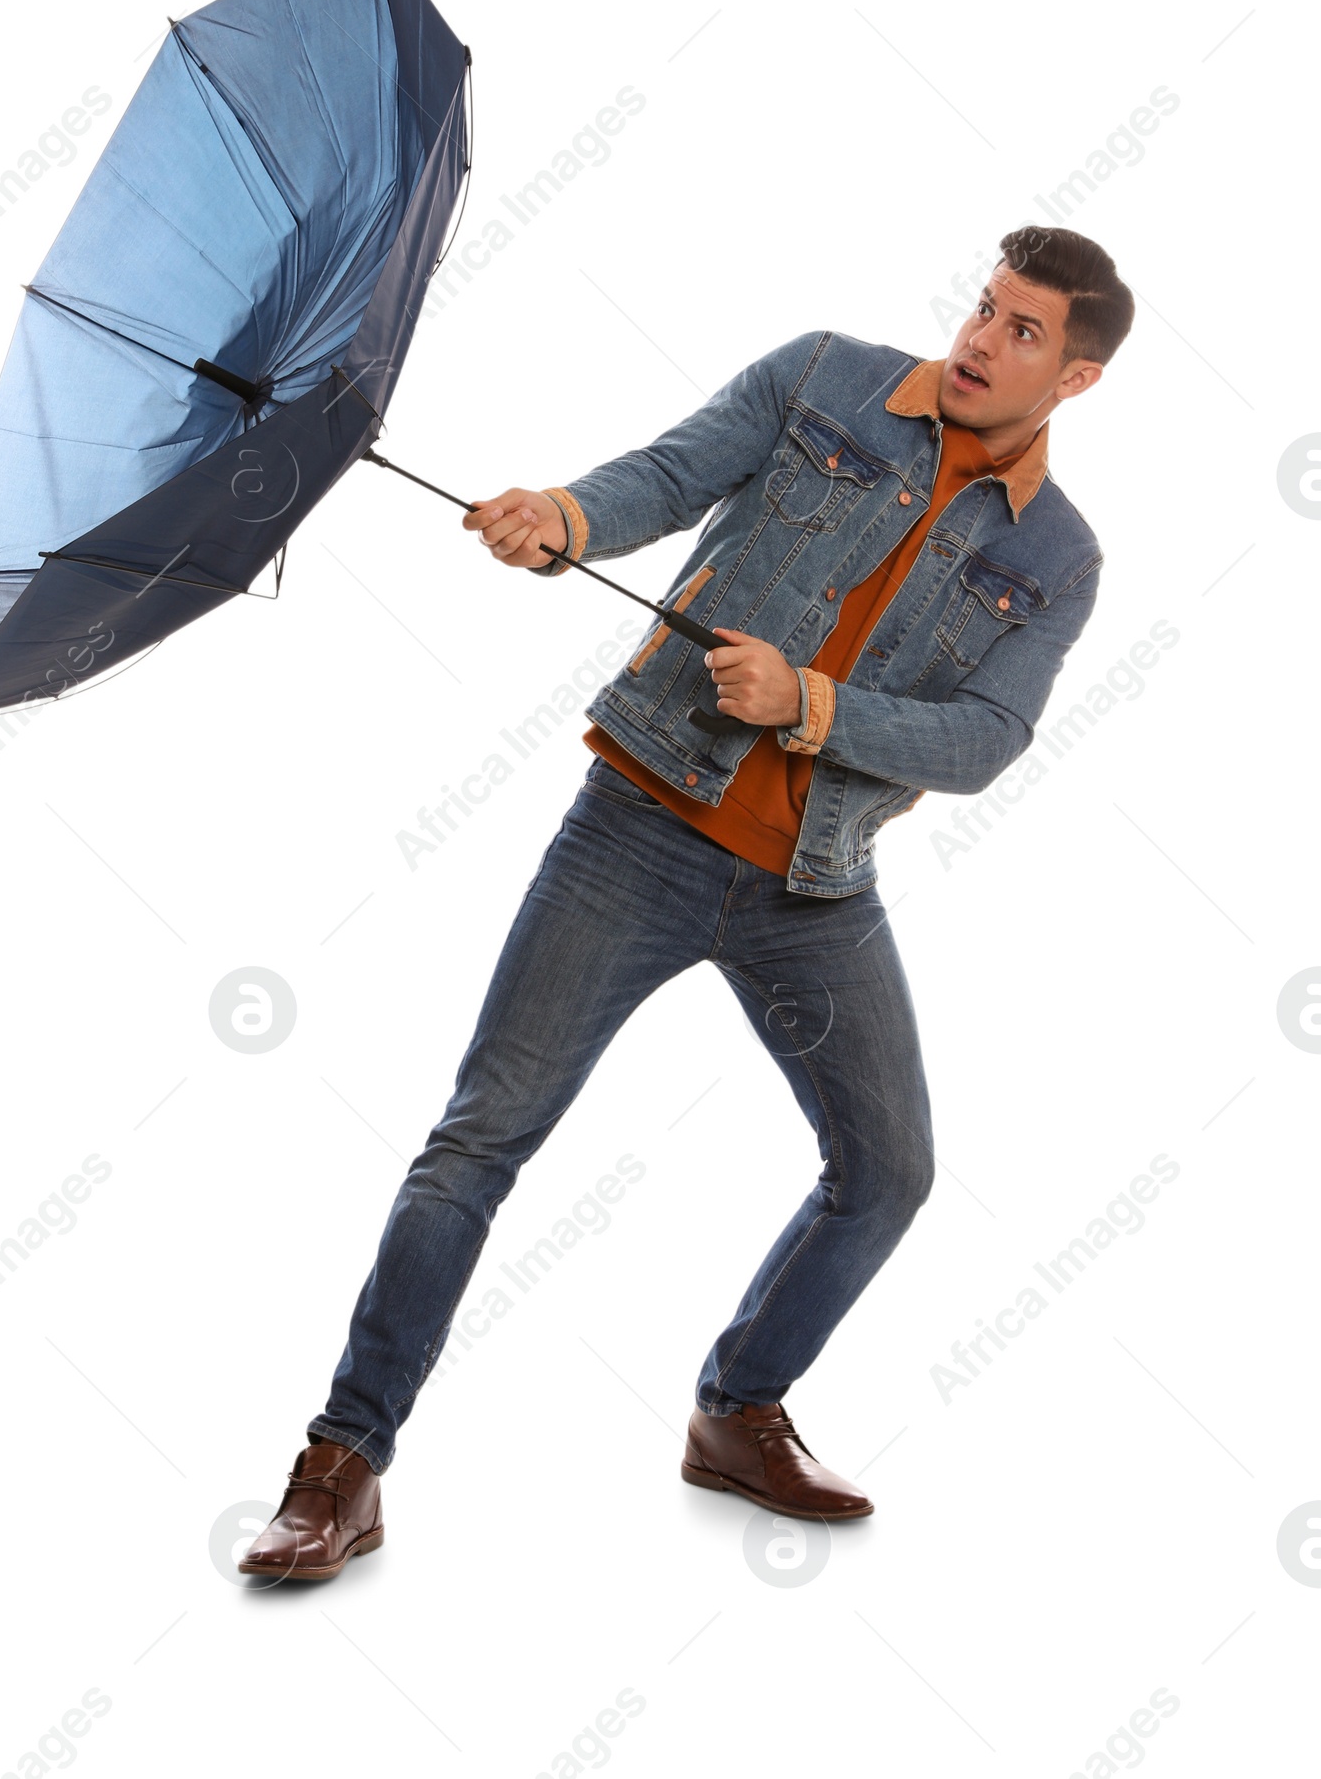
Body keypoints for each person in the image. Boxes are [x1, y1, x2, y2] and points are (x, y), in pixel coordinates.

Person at [240, 224, 1133, 1582]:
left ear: (1075, 379)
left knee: (890, 1171)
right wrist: (566, 521)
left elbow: (985, 738)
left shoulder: (1060, 556)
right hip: (640, 827)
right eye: (983, 307)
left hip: (814, 888)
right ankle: (341, 1464)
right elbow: (669, 475)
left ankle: (737, 1407)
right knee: (479, 1140)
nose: (979, 340)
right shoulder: (825, 374)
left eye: (1022, 332)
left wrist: (812, 704)